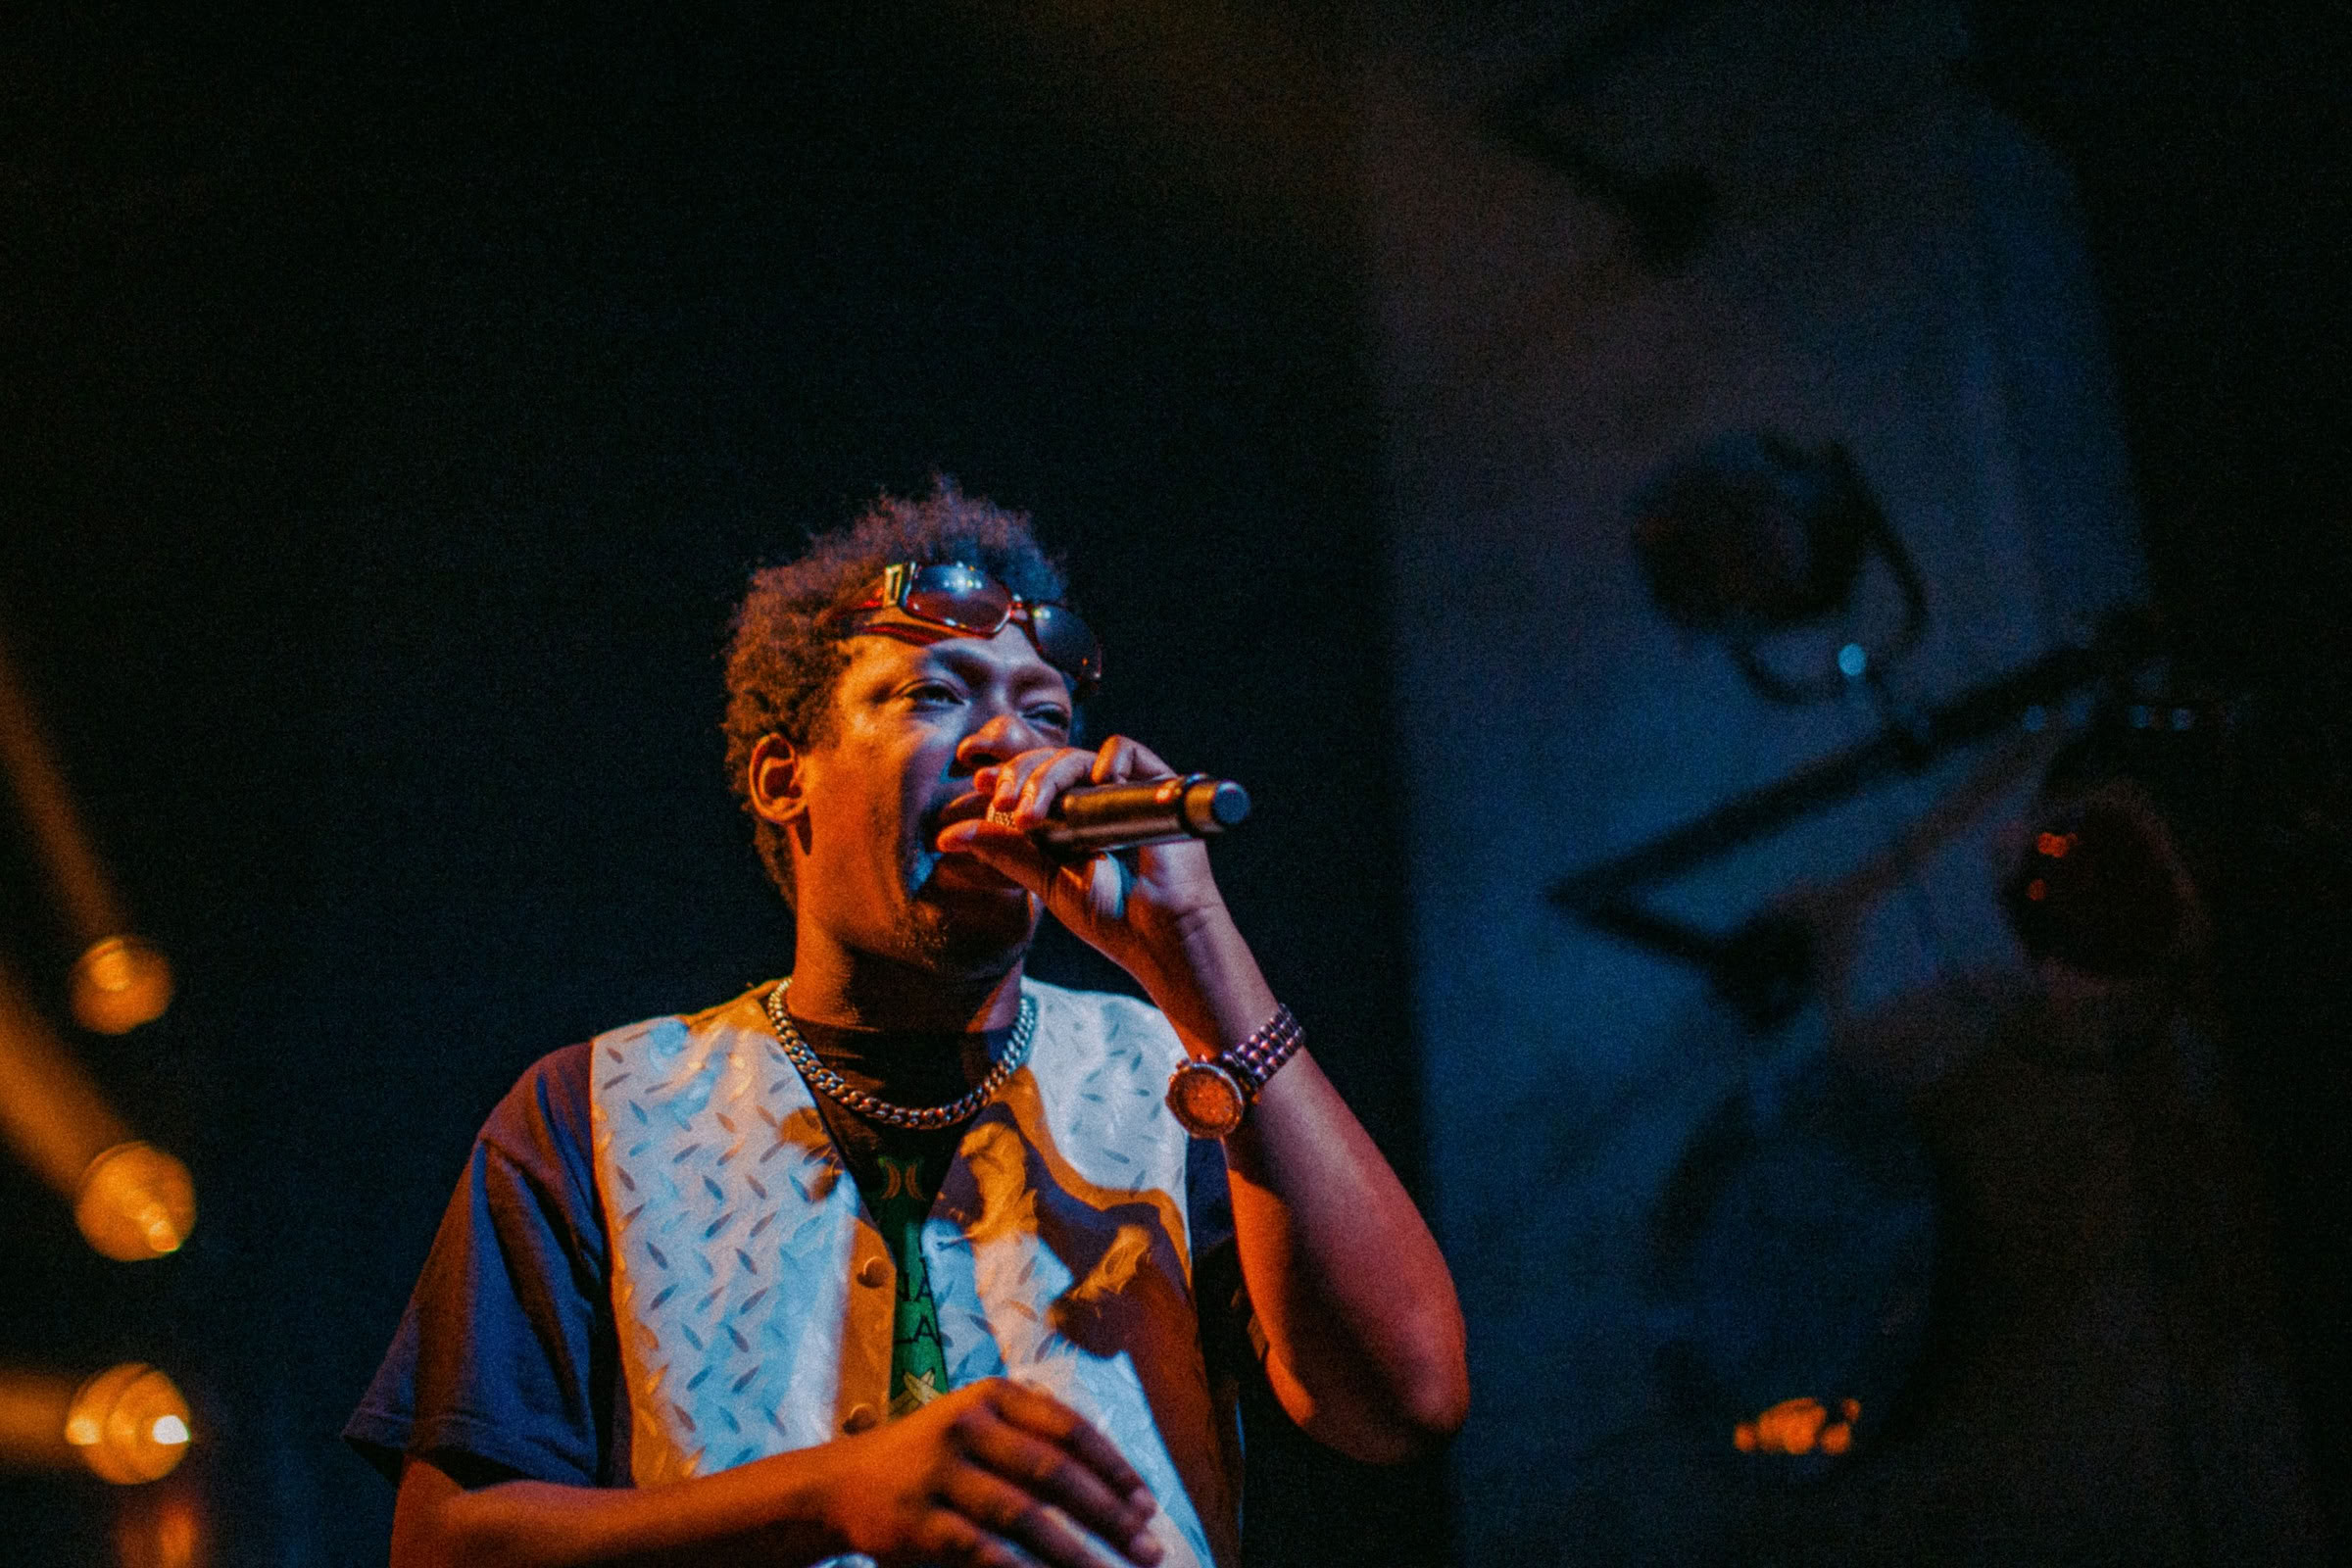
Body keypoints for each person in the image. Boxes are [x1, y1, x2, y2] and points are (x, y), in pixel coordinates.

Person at [346, 482, 1469, 1568]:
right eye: (937, 695)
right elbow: (447, 1545)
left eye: (1045, 713)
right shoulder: (590, 1107)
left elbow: (1405, 1400)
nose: (1007, 745)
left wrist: (1200, 953)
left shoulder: (1171, 1077)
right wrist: (831, 1495)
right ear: (787, 779)